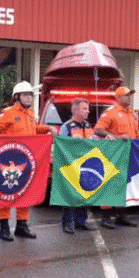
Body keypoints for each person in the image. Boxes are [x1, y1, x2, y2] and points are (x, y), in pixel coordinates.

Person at [0, 81, 52, 240]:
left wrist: (48, 129)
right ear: (17, 97)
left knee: (25, 191)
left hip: (27, 159)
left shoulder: (30, 114)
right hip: (9, 161)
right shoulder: (8, 113)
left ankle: (22, 225)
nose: (29, 98)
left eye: (30, 95)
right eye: (25, 95)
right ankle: (4, 227)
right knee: (7, 192)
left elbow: (34, 129)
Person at [94, 86, 139, 228]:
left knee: (124, 184)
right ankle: (106, 217)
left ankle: (121, 215)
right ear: (119, 97)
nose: (129, 97)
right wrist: (118, 137)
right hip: (114, 155)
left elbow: (136, 131)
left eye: (130, 95)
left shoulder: (132, 113)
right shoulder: (110, 113)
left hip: (129, 155)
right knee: (110, 184)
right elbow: (98, 130)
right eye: (127, 95)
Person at [57, 98, 98, 234]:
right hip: (71, 165)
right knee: (70, 195)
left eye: (87, 108)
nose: (88, 111)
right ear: (75, 110)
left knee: (84, 193)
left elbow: (92, 142)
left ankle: (81, 221)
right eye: (84, 108)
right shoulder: (66, 126)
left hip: (86, 165)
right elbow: (61, 144)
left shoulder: (87, 125)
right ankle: (67, 223)